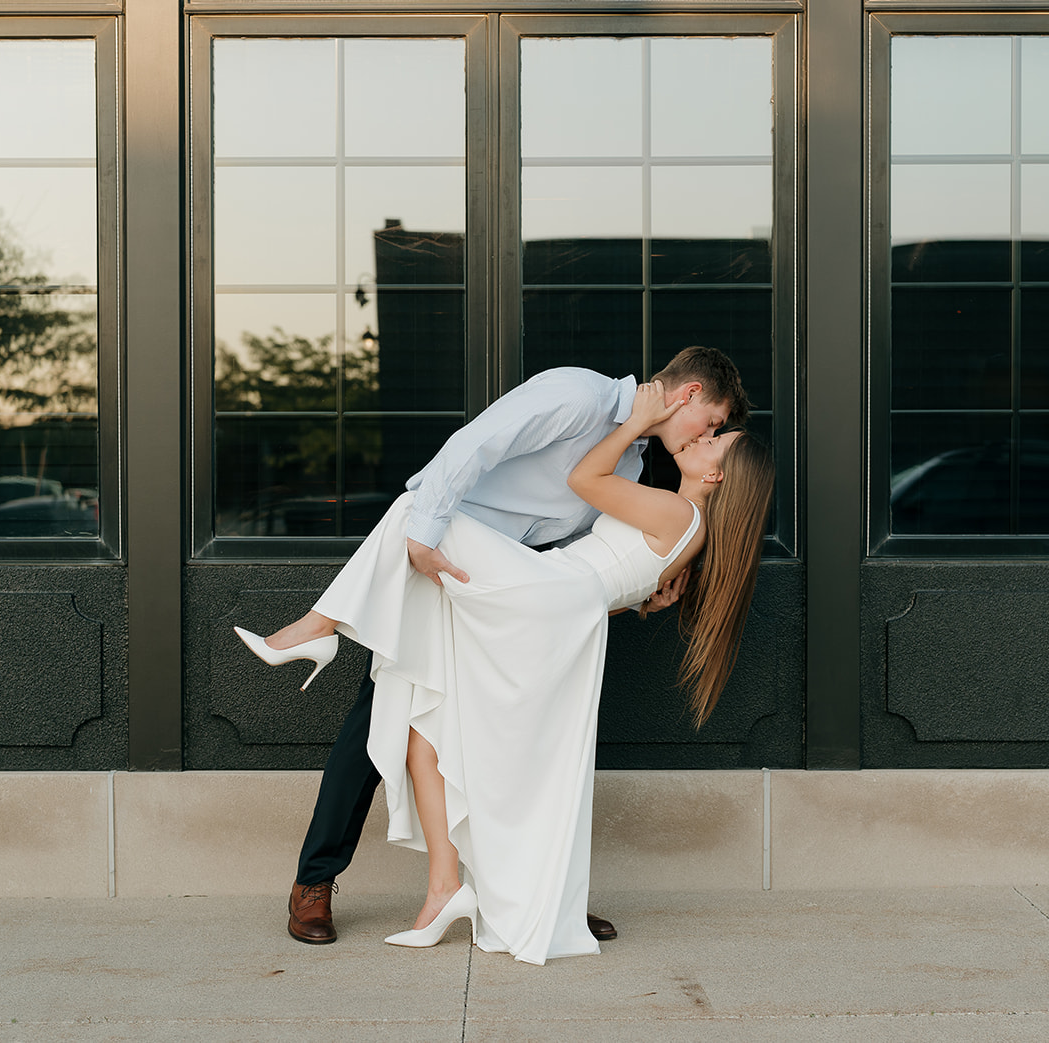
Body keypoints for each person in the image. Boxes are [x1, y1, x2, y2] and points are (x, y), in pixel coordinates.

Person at [239, 379, 774, 964]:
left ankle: (319, 629)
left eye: (717, 437)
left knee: (440, 705)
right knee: (413, 710)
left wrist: (640, 590)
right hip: (486, 571)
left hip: (521, 591)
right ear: (689, 393)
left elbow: (588, 521)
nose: (708, 435)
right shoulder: (580, 398)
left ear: (720, 475)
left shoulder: (641, 468)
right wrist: (427, 539)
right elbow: (472, 447)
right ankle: (356, 881)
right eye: (713, 422)